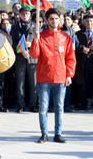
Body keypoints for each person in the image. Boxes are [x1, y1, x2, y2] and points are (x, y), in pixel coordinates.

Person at [29, 9, 76, 144]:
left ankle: (58, 133)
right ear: (47, 20)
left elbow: (71, 58)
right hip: (44, 78)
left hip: (60, 78)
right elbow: (34, 55)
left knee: (59, 107)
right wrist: (35, 41)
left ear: (59, 20)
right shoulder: (41, 36)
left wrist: (69, 74)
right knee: (43, 107)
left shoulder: (65, 37)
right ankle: (44, 134)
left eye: (56, 18)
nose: (54, 21)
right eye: (51, 19)